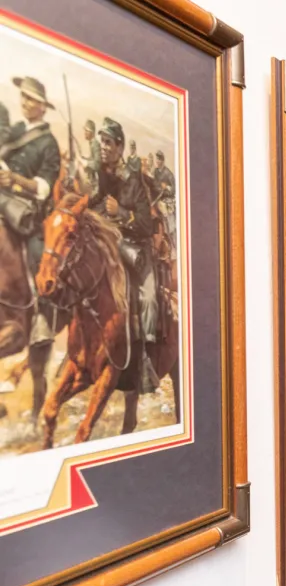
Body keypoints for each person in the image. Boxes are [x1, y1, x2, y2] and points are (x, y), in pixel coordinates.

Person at [91, 118, 160, 394]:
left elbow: (144, 222)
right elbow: (97, 203)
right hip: (112, 245)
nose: (104, 147)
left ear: (120, 146)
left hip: (136, 250)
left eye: (108, 143)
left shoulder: (135, 181)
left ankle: (144, 361)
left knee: (148, 298)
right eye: (101, 143)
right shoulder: (102, 175)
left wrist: (120, 212)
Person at [0, 76, 61, 347]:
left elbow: (44, 187)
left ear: (43, 107)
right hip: (2, 198)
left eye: (31, 99)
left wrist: (14, 179)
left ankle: (41, 320)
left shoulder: (49, 144)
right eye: (23, 97)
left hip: (28, 212)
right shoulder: (14, 131)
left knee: (40, 258)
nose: (25, 102)